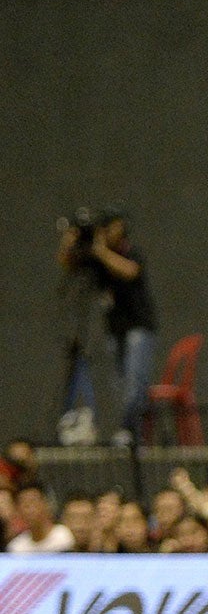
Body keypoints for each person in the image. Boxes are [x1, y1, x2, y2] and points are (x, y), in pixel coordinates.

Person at [56, 208, 156, 445]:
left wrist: (100, 251)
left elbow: (130, 271)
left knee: (135, 380)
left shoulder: (130, 252)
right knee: (120, 384)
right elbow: (67, 263)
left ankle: (131, 431)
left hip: (138, 326)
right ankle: (126, 430)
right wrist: (69, 242)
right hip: (116, 330)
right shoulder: (98, 259)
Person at [6, 484, 73, 553]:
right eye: (25, 505)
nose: (29, 511)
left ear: (46, 505)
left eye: (33, 502)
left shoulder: (65, 536)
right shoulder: (17, 547)